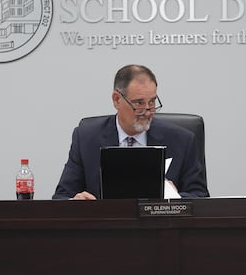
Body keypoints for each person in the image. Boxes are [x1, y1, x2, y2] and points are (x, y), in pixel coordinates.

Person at [53, 64, 209, 200]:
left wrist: (176, 198)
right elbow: (62, 196)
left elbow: (200, 196)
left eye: (152, 102)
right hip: (104, 230)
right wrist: (76, 201)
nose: (148, 111)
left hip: (161, 230)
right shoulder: (86, 138)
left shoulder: (182, 140)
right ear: (116, 100)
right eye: (139, 103)